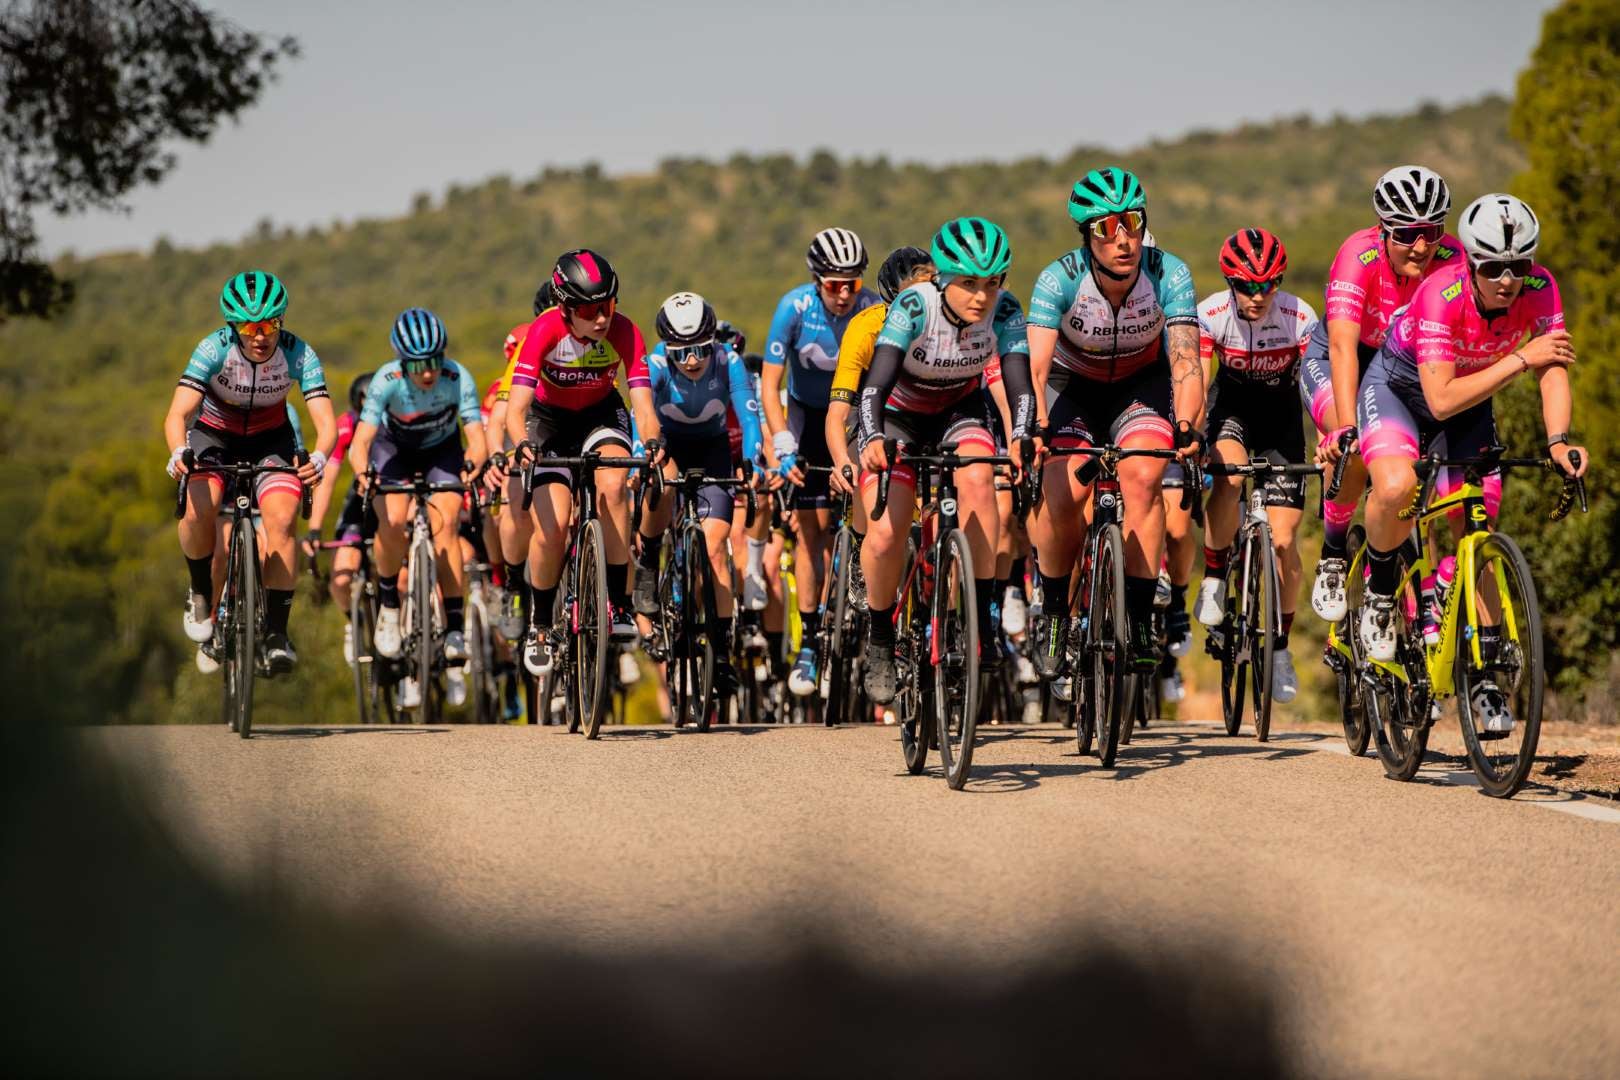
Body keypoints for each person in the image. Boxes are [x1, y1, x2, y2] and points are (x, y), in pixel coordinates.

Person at [1355, 194, 1583, 729]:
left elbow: (1553, 369)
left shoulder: (1541, 288)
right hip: (1401, 391)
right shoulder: (1442, 294)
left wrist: (1558, 441)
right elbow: (1440, 401)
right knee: (1396, 487)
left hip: (1471, 401)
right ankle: (1381, 593)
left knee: (1478, 526)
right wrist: (1521, 357)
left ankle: (1481, 677)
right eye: (1494, 267)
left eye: (1519, 266)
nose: (1508, 280)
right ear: (1471, 263)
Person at [1026, 167, 1204, 675]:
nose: (1123, 239)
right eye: (1107, 227)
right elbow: (1036, 367)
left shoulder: (1170, 273)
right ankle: (1055, 614)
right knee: (1063, 495)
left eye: (1133, 223)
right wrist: (1037, 423)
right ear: (1087, 235)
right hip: (1072, 387)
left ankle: (1142, 619)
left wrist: (1187, 423)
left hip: (1138, 385)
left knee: (1145, 478)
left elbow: (1186, 361)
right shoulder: (1059, 279)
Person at [855, 217, 1038, 703]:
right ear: (944, 278)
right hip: (899, 415)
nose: (982, 296)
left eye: (992, 283)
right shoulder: (915, 306)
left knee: (981, 476)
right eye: (969, 283)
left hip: (959, 409)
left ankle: (981, 618)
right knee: (886, 533)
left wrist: (1022, 437)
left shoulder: (1006, 311)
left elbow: (1020, 388)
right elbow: (874, 386)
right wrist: (872, 437)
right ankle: (880, 638)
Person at [1300, 166, 1462, 622]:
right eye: (1407, 234)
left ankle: (1409, 588)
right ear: (1384, 229)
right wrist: (1346, 427)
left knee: (1417, 481)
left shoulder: (1453, 258)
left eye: (1432, 232)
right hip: (1340, 360)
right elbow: (1342, 347)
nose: (1421, 247)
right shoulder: (1359, 255)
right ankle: (1334, 552)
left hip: (1403, 370)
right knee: (1353, 444)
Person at [164, 270, 336, 674]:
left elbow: (326, 423)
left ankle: (276, 633)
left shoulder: (299, 353)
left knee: (283, 519)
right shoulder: (213, 348)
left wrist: (320, 457)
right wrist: (177, 450)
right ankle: (200, 591)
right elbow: (178, 414)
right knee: (199, 507)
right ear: (232, 326)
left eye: (270, 325)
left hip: (271, 439)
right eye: (248, 327)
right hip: (213, 434)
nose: (260, 336)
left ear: (281, 321)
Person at [504, 248, 657, 676]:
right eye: (590, 310)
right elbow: (516, 410)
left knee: (614, 487)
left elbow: (643, 406)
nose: (603, 317)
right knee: (552, 527)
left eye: (609, 304)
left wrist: (651, 442)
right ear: (565, 308)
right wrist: (522, 444)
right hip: (548, 421)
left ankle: (619, 604)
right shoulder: (544, 330)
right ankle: (539, 624)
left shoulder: (625, 330)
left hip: (600, 414)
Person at [1192, 229, 1319, 703]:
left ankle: (1280, 648)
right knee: (1229, 478)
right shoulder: (1211, 315)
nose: (1258, 295)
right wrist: (1193, 435)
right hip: (1231, 412)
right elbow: (1198, 383)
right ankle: (1213, 576)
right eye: (1246, 286)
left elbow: (1316, 385)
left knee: (1284, 541)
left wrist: (1329, 436)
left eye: (1268, 284)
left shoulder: (1299, 317)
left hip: (1282, 421)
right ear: (1231, 283)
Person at [346, 307, 488, 708]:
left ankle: (455, 626)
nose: (428, 371)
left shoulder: (457, 377)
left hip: (442, 450)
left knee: (447, 526)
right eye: (417, 364)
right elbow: (361, 442)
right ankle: (390, 607)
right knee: (391, 520)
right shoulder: (386, 380)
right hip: (394, 450)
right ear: (401, 362)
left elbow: (476, 438)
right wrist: (363, 473)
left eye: (435, 360)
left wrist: (473, 463)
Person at [762, 227, 882, 697]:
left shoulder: (872, 308)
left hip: (853, 417)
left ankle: (861, 591)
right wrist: (782, 444)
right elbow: (770, 385)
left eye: (852, 283)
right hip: (807, 419)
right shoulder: (793, 308)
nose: (844, 293)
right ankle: (810, 642)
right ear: (816, 281)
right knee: (811, 533)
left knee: (864, 509)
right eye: (834, 284)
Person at [630, 292, 764, 698]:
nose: (691, 360)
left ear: (712, 342)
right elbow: (641, 415)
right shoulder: (655, 364)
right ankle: (650, 561)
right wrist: (639, 456)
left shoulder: (727, 360)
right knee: (661, 480)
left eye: (700, 349)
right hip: (667, 445)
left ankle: (720, 654)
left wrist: (752, 462)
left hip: (711, 450)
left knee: (716, 548)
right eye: (681, 352)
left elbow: (749, 416)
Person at [486, 281, 556, 639]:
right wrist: (497, 455)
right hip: (529, 434)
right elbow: (500, 417)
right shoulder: (530, 347)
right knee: (515, 503)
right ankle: (513, 586)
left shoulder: (594, 347)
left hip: (568, 435)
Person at [303, 373, 374, 665]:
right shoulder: (346, 425)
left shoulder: (398, 418)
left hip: (394, 498)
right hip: (360, 502)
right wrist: (315, 529)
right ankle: (353, 622)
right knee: (342, 577)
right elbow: (327, 480)